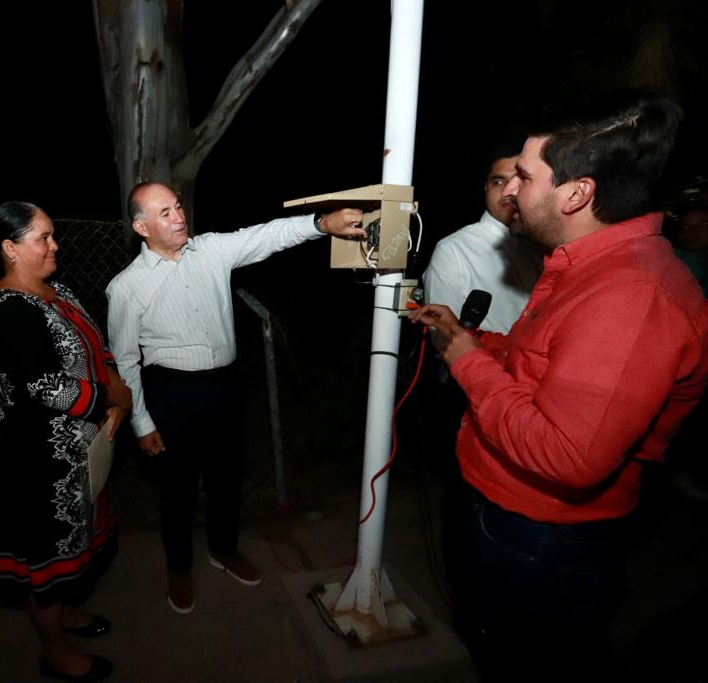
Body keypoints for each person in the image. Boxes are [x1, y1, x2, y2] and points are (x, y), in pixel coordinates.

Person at [410, 91, 708, 681]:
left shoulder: (633, 297)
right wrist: (484, 345)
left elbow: (567, 454)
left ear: (577, 193)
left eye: (524, 174)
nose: (510, 189)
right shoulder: (586, 263)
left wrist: (468, 361)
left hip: (541, 537)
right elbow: (546, 372)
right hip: (511, 514)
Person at [106, 182, 366, 614]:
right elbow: (126, 360)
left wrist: (321, 224)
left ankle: (224, 550)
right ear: (141, 226)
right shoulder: (126, 287)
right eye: (165, 212)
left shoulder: (210, 250)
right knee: (178, 488)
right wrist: (143, 423)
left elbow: (267, 235)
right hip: (172, 394)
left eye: (177, 207)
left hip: (224, 387)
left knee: (227, 477)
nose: (179, 216)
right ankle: (179, 566)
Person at [0, 201, 131, 682]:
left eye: (52, 235)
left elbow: (95, 341)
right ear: (9, 249)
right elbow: (44, 386)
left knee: (75, 546)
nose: (54, 245)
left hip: (78, 449)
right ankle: (54, 649)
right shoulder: (8, 309)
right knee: (46, 562)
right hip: (37, 459)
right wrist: (110, 394)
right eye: (42, 237)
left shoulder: (55, 290)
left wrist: (112, 381)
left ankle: (64, 615)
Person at [423, 140, 544, 333]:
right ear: (486, 187)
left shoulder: (544, 242)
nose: (508, 191)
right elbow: (442, 336)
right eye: (499, 181)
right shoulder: (454, 250)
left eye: (520, 181)